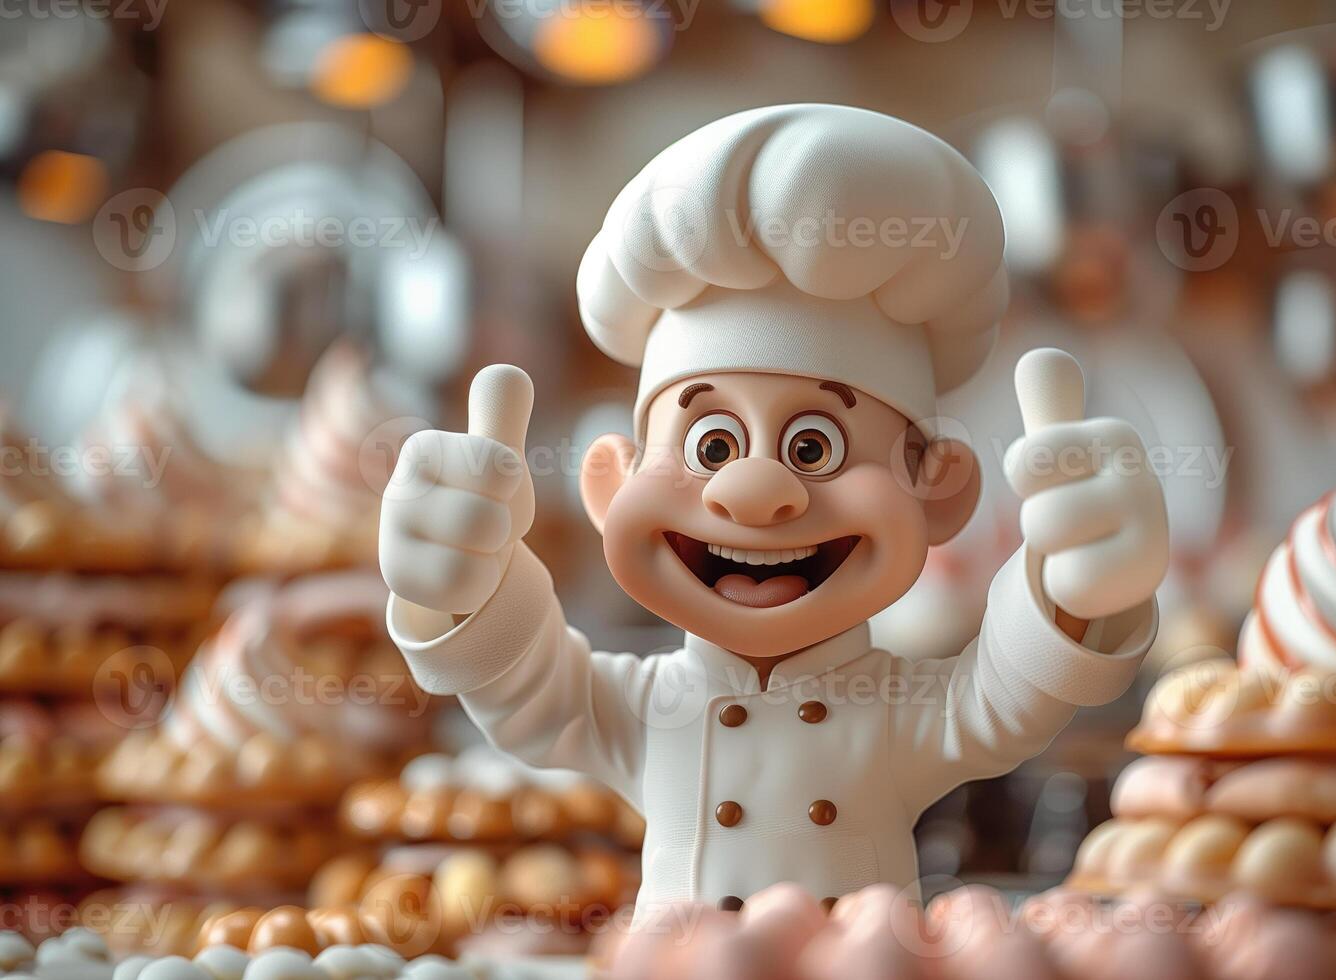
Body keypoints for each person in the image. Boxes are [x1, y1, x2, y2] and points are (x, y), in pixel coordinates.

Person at [379, 104, 1168, 912]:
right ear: (610, 484)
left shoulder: (896, 713)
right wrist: (465, 586)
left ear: (939, 490)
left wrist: (1070, 587)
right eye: (711, 447)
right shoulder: (645, 708)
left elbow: (1008, 695)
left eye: (814, 449)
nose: (754, 496)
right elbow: (527, 689)